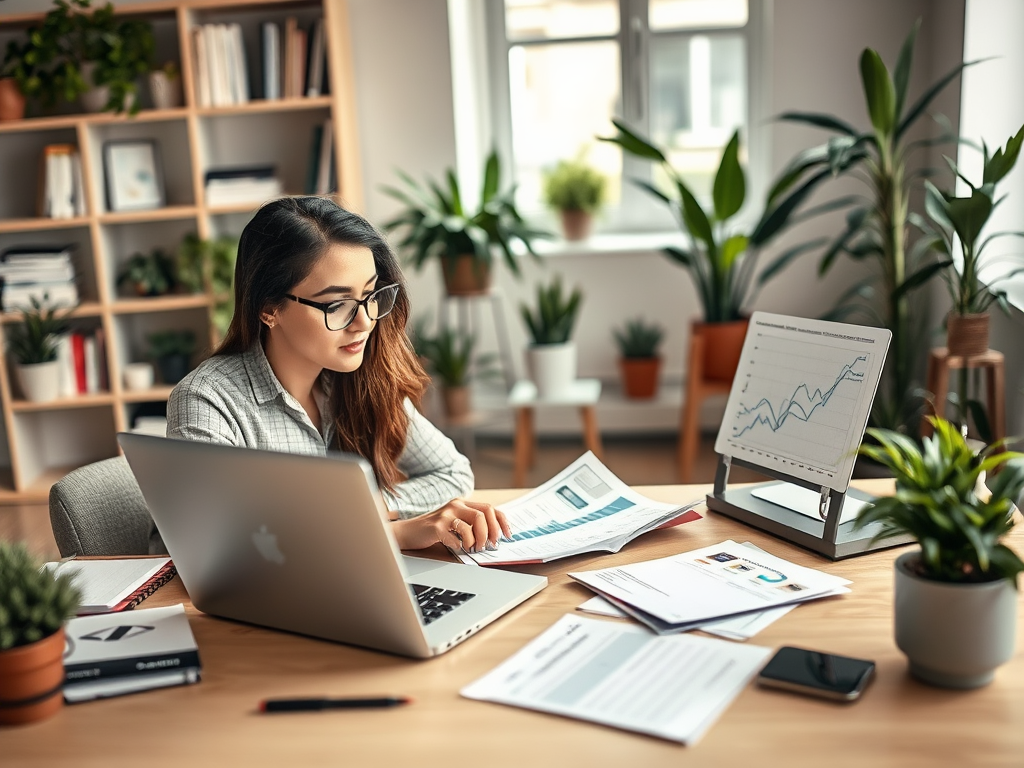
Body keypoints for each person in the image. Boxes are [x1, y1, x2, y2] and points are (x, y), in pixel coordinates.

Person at [166, 196, 509, 554]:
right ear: (269, 309)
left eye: (370, 294)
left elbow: (453, 474)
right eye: (336, 304)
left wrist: (368, 510)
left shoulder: (363, 375)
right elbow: (218, 542)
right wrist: (393, 533)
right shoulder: (207, 401)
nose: (364, 322)